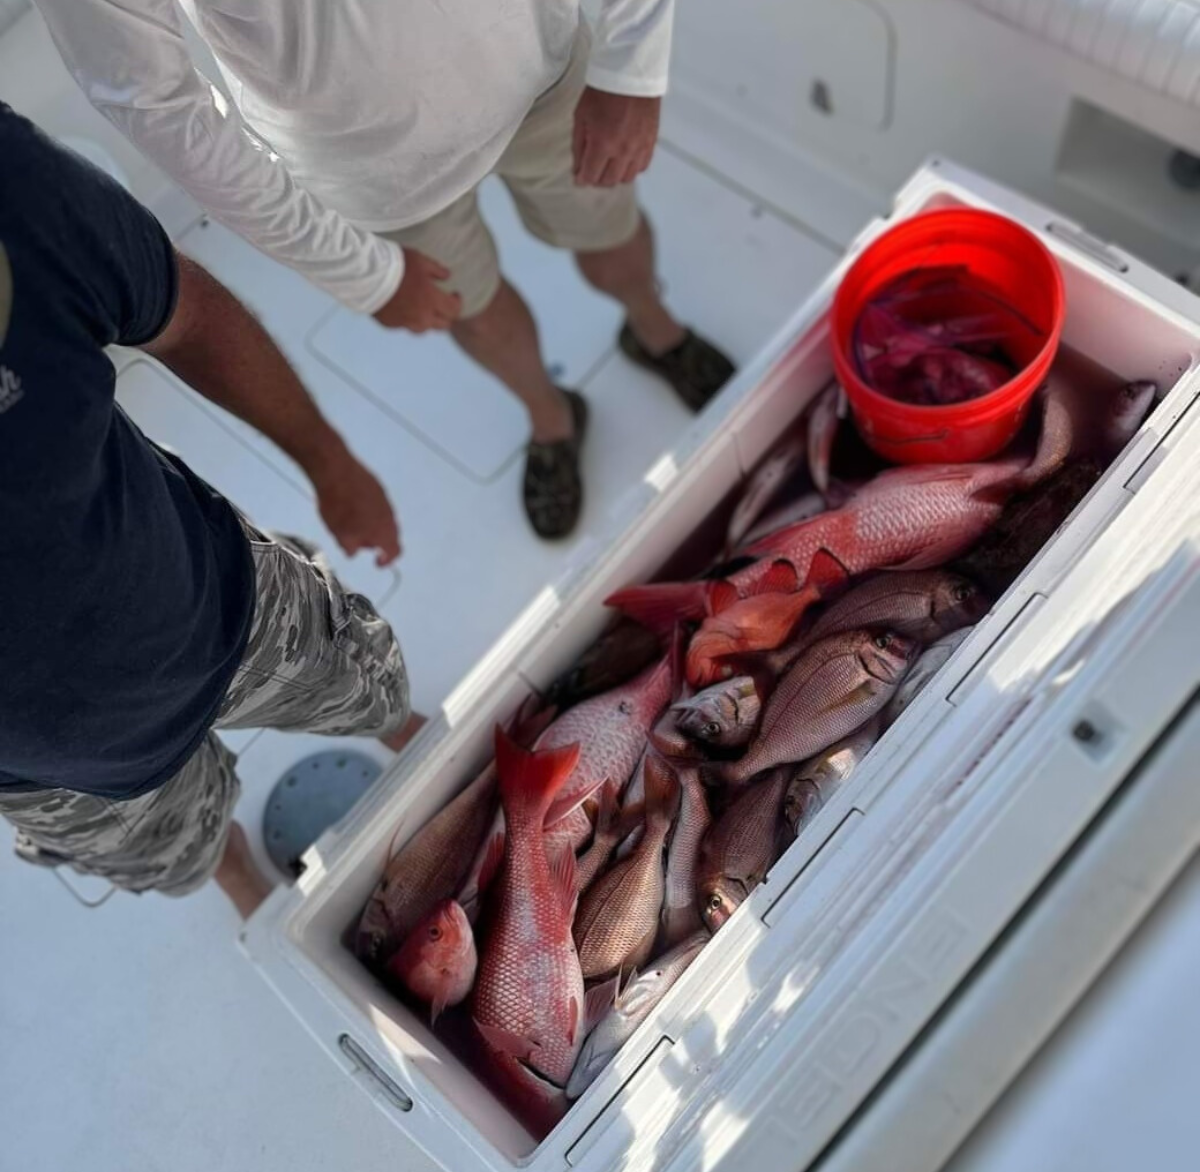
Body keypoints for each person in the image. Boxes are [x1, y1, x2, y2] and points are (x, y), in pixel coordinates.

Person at [34, 0, 736, 540]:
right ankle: (552, 419)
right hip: (371, 164)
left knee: (611, 237)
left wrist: (629, 63)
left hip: (545, 67)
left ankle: (657, 330)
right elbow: (159, 106)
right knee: (472, 307)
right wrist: (362, 274)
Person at [0, 104, 423, 919]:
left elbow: (182, 312)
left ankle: (406, 729)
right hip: (58, 774)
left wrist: (328, 461)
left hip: (219, 592)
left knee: (371, 683)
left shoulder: (13, 186)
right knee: (186, 853)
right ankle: (236, 876)